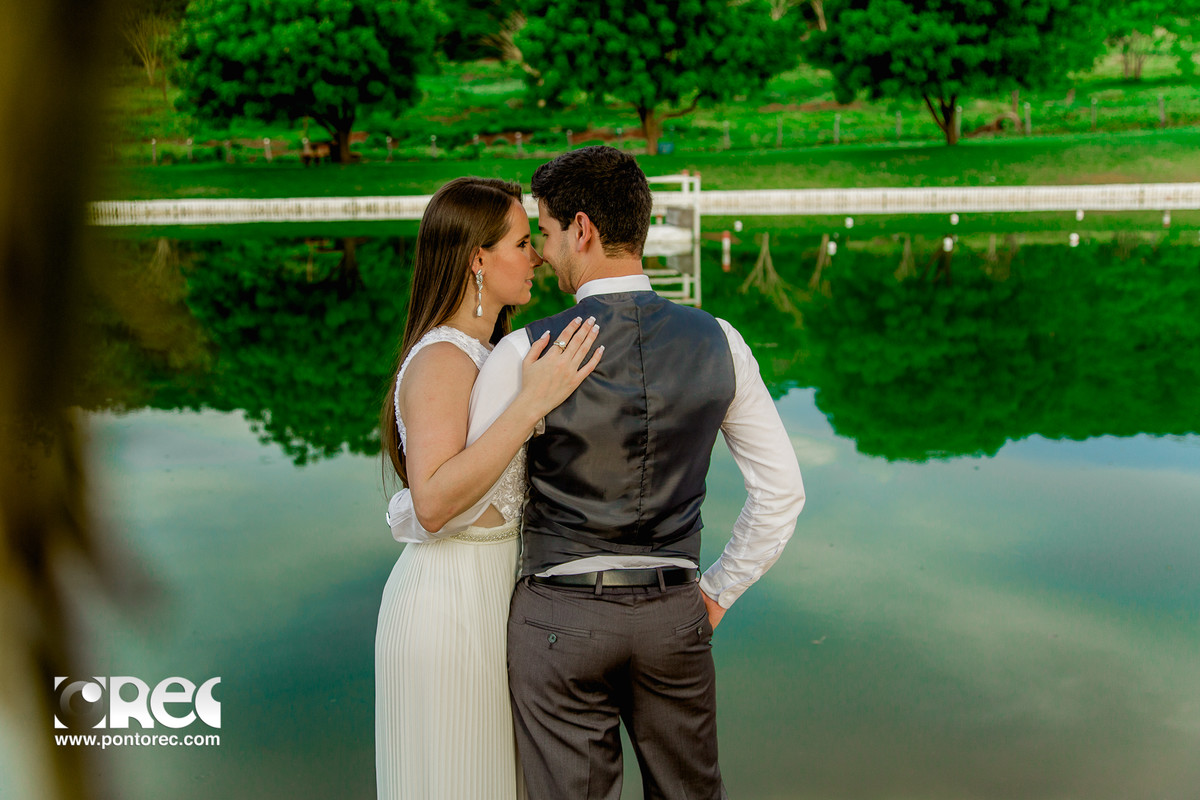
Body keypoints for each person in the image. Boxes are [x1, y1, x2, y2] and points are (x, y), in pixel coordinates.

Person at [465, 146, 807, 800]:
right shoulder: (722, 341)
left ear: (584, 230)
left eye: (547, 230)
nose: (541, 250)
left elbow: (481, 500)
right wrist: (714, 596)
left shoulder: (524, 350)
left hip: (560, 621)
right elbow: (782, 493)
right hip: (674, 613)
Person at [374, 176, 602, 800]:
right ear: (478, 258)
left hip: (498, 599)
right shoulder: (442, 359)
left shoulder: (493, 354)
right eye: (523, 243)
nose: (536, 257)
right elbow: (435, 501)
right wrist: (530, 406)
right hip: (450, 609)